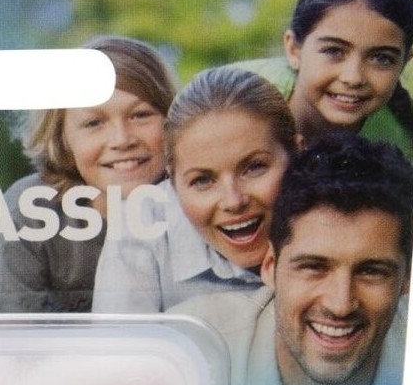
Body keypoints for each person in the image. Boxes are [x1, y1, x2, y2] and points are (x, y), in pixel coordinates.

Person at [172, 134, 413, 385]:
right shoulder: (188, 349)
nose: (340, 304)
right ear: (270, 267)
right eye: (314, 267)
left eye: (371, 271)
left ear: (407, 279)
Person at [0, 37, 176, 312]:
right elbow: (7, 334)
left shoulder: (199, 204)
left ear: (173, 121)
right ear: (62, 140)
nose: (122, 139)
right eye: (94, 123)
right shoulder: (31, 210)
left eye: (140, 115)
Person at [94, 66, 296, 313]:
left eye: (254, 168)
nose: (233, 201)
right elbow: (119, 338)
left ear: (298, 154)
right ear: (173, 183)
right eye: (202, 181)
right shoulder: (142, 222)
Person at [246, 0, 413, 164]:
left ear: (404, 63)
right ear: (293, 49)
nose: (353, 78)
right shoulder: (235, 107)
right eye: (334, 50)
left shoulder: (395, 148)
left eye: (381, 58)